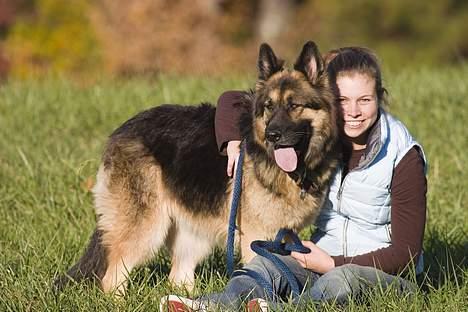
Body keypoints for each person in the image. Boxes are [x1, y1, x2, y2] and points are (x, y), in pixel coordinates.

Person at [160, 47, 427, 311]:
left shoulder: (402, 156)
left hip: (384, 277)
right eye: (343, 100)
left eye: (365, 100)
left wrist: (334, 263)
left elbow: (406, 253)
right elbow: (235, 100)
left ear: (379, 97)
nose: (353, 111)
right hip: (318, 261)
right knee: (265, 264)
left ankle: (282, 310)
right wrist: (231, 141)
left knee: (341, 278)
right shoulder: (325, 145)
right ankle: (214, 305)